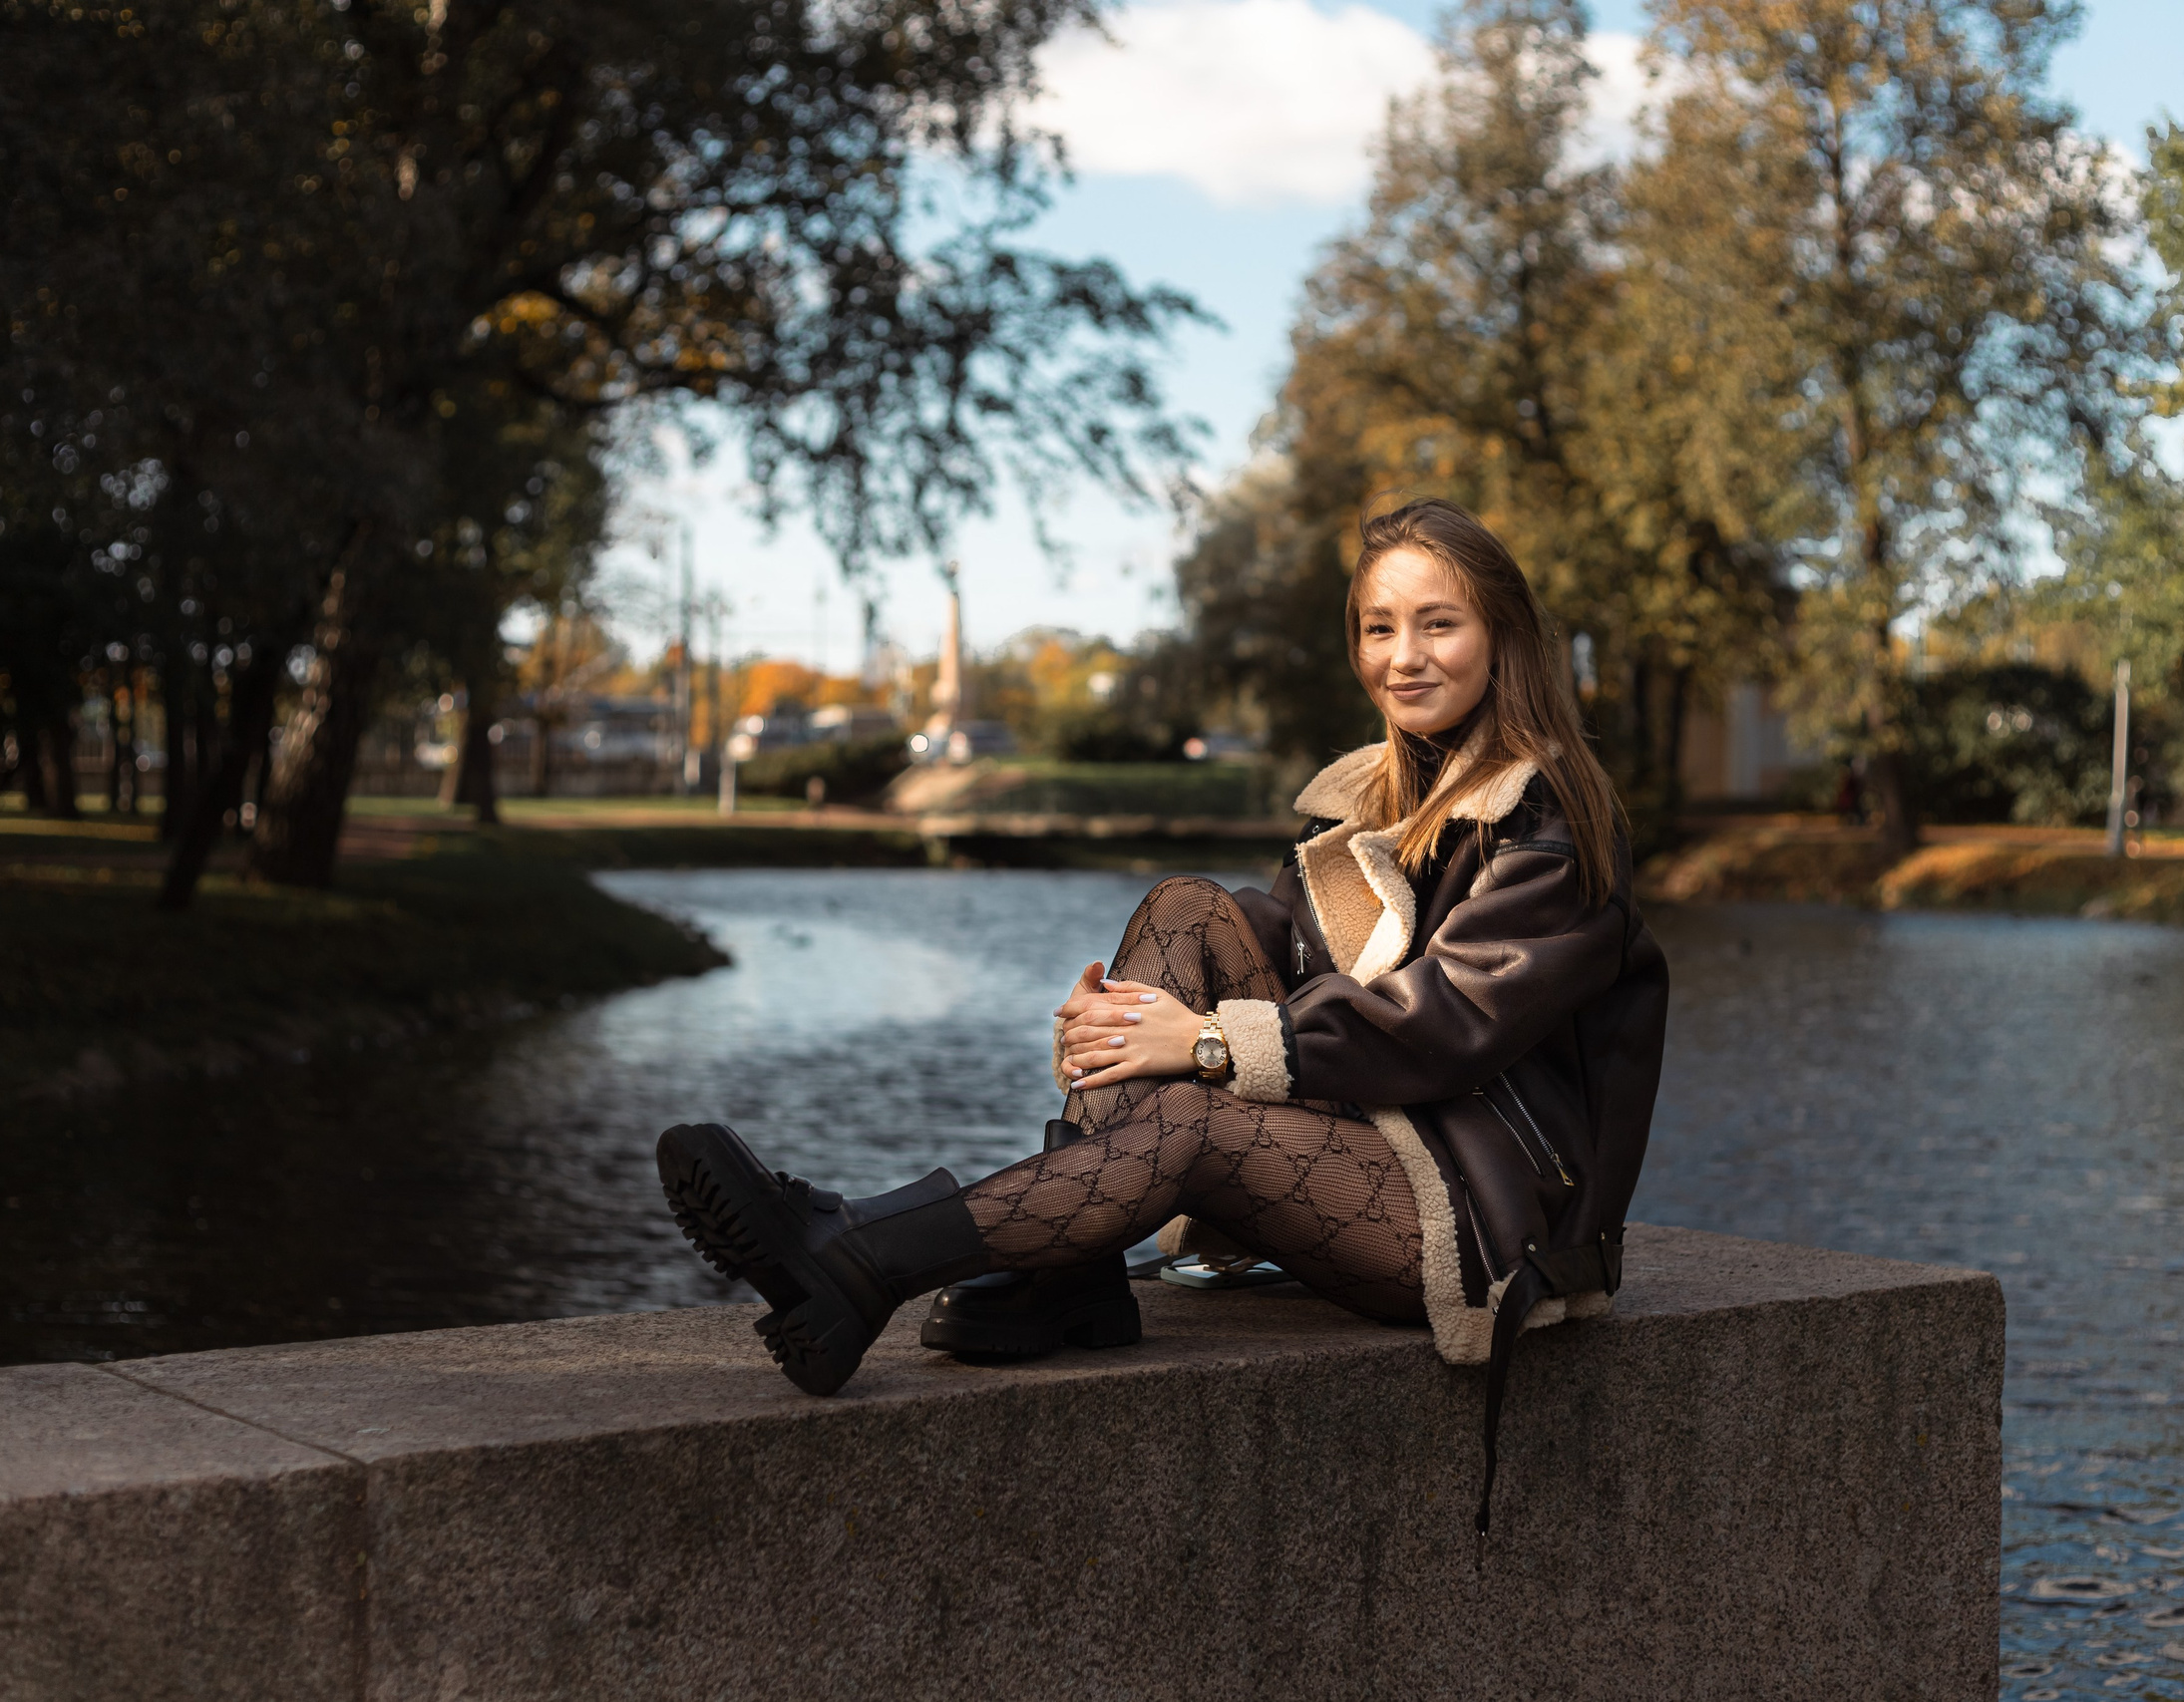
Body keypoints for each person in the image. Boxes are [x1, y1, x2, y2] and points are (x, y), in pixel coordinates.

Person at [657, 497, 1667, 1527]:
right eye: (1378, 627)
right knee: (1187, 909)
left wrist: (1210, 1042)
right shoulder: (1375, 801)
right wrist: (1119, 1023)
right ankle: (1074, 1264)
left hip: (1489, 1212)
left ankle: (859, 1256)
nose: (1402, 656)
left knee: (1192, 1117)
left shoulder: (1550, 819)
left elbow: (1448, 1019)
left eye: (1438, 623)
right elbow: (1279, 944)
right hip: (1384, 1141)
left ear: (1503, 637)